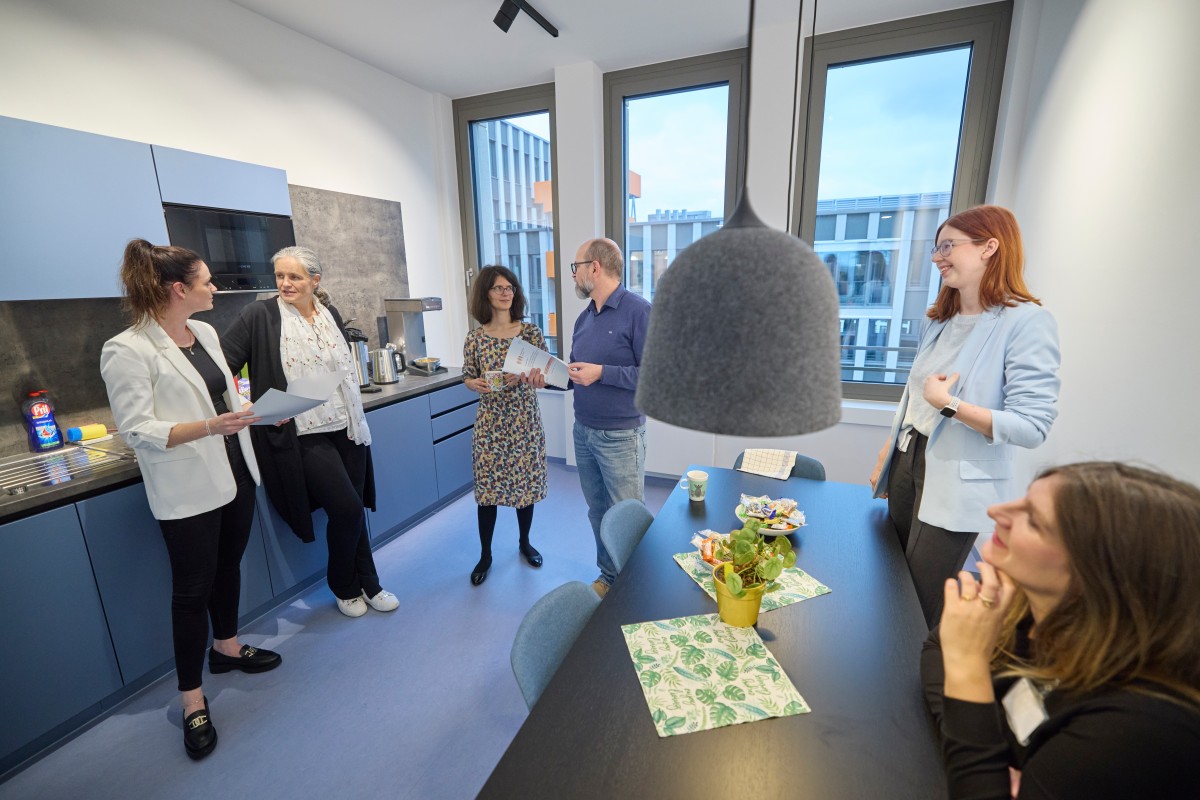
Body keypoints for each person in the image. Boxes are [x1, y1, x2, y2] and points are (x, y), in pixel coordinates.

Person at [100, 239, 282, 761]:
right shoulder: (126, 349)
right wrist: (210, 426)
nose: (214, 288)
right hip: (187, 487)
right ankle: (192, 698)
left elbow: (224, 396)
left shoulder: (202, 332)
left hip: (235, 472)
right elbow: (137, 429)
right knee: (191, 591)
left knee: (229, 567)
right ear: (179, 289)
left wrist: (256, 413)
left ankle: (225, 647)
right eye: (205, 281)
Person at [921, 462, 1200, 798]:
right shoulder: (1031, 610)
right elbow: (938, 648)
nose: (997, 510)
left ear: (1100, 576)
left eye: (1034, 521)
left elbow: (954, 660)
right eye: (1024, 499)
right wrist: (974, 750)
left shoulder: (1133, 732)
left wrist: (967, 669)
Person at [869, 205, 1060, 628]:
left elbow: (1032, 426)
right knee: (888, 573)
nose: (938, 257)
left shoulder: (1026, 322)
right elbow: (916, 395)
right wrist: (890, 449)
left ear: (990, 247)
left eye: (947, 246)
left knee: (920, 597)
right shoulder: (940, 319)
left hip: (958, 476)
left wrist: (950, 405)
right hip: (907, 456)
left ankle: (913, 685)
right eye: (936, 248)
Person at [222, 246, 398, 618]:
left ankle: (370, 582)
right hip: (301, 433)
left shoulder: (329, 313)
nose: (285, 284)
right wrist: (245, 407)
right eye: (281, 276)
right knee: (347, 510)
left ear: (315, 281)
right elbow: (221, 369)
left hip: (346, 424)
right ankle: (343, 585)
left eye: (295, 277)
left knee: (355, 508)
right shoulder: (260, 315)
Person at [530, 237, 651, 598]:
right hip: (583, 432)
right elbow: (575, 375)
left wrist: (603, 373)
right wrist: (549, 376)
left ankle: (633, 591)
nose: (573, 276)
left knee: (625, 518)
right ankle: (609, 578)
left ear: (594, 268)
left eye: (575, 268)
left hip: (621, 437)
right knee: (598, 512)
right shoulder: (584, 319)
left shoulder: (639, 311)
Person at [460, 266, 548, 585]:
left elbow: (545, 374)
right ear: (486, 293)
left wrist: (535, 377)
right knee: (488, 492)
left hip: (524, 421)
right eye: (498, 288)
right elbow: (467, 373)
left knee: (524, 489)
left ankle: (524, 543)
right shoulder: (475, 336)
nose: (505, 292)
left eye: (510, 287)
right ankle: (486, 554)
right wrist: (473, 384)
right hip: (490, 425)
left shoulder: (530, 333)